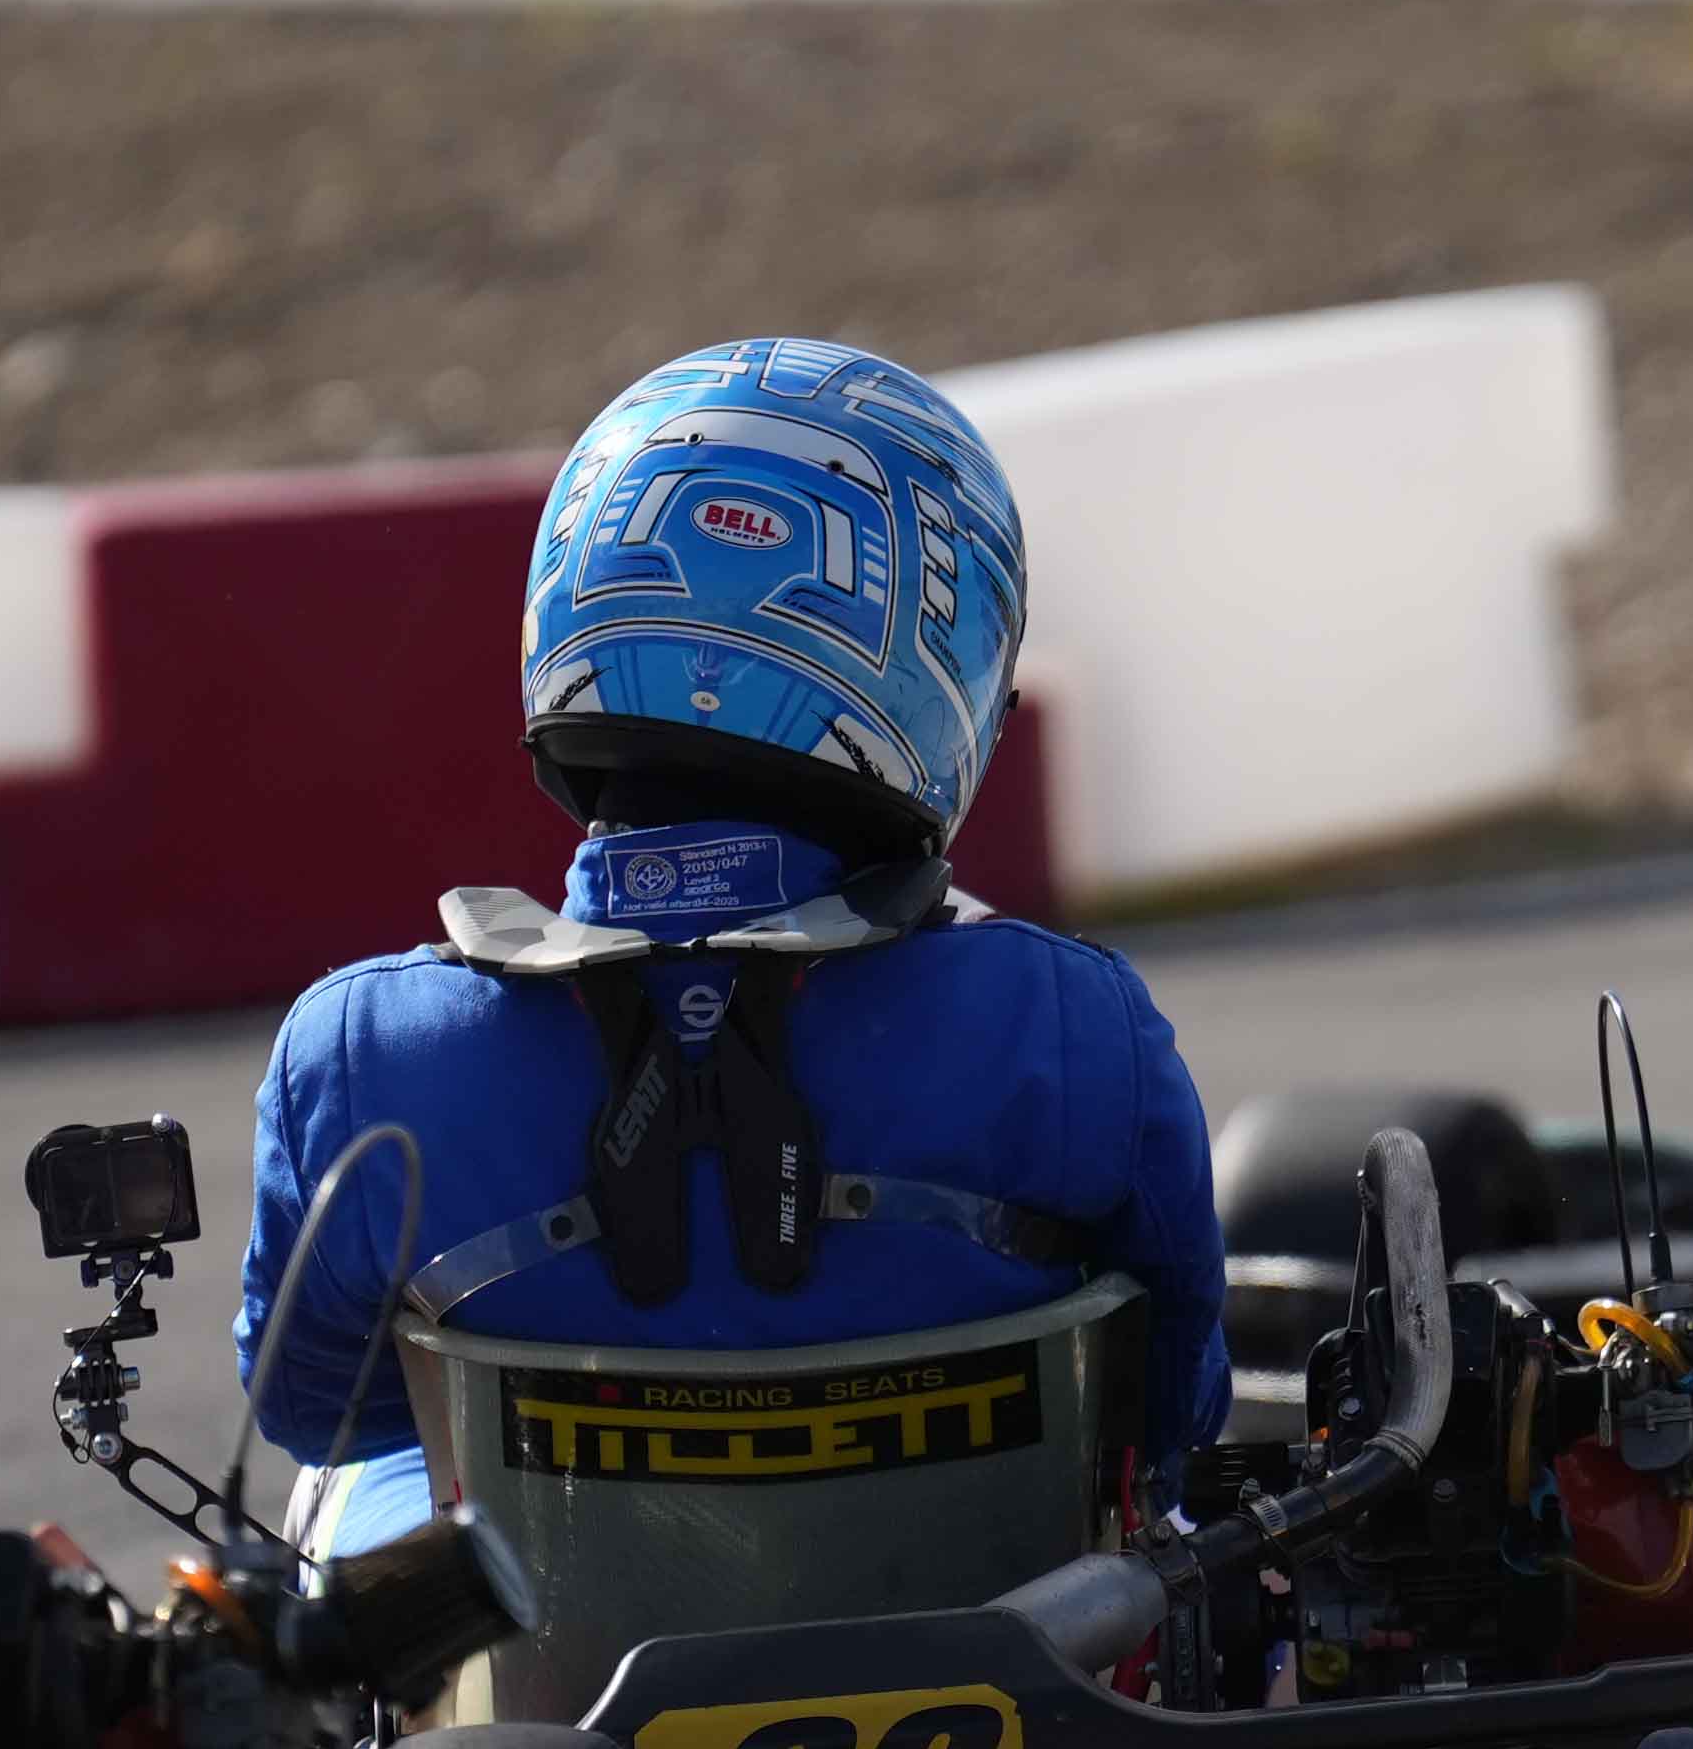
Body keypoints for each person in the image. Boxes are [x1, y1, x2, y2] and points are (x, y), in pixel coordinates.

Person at [236, 338, 1227, 1541]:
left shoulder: (363, 1057)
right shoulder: (1069, 1030)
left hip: (557, 1702)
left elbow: (314, 1410)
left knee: (342, 1503)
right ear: (935, 658)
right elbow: (1174, 1411)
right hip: (1020, 1676)